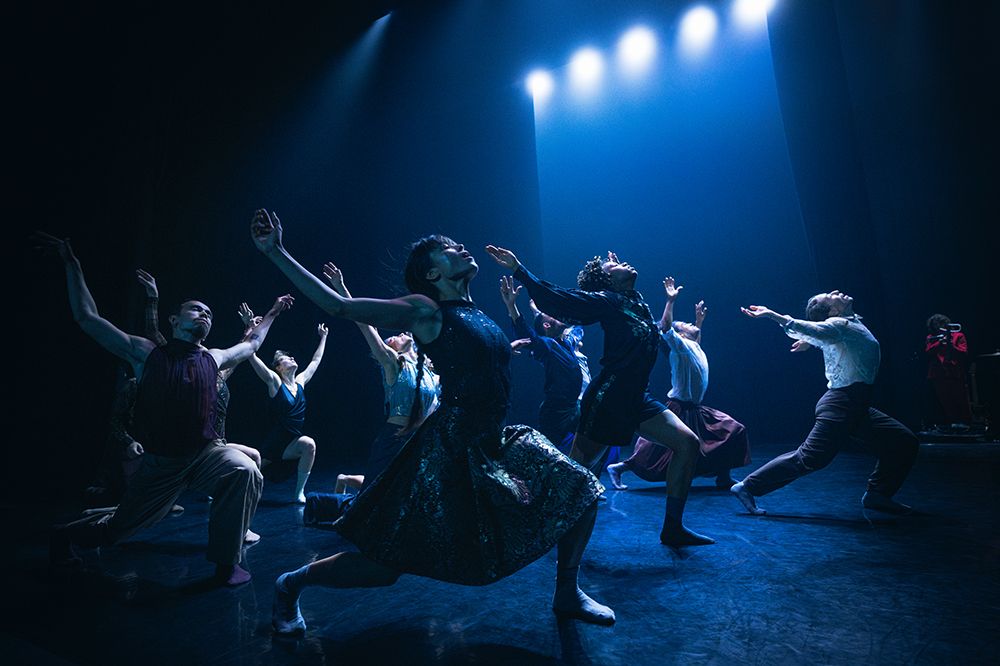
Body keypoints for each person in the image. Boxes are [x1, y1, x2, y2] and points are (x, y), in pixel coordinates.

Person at [250, 209, 612, 635]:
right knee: (385, 568)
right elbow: (340, 307)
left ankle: (567, 592)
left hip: (494, 440)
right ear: (432, 273)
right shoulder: (425, 309)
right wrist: (276, 252)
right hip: (448, 452)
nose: (461, 248)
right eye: (448, 249)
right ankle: (292, 582)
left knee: (581, 489)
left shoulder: (474, 309)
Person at [37, 230, 290, 585]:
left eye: (208, 313)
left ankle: (225, 563)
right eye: (195, 309)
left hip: (206, 454)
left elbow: (252, 343)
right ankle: (65, 537)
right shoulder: (146, 353)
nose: (204, 314)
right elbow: (87, 318)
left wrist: (273, 312)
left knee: (246, 471)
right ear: (174, 320)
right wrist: (72, 264)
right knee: (118, 531)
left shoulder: (213, 358)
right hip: (162, 463)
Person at [485, 246, 712, 547]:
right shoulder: (607, 301)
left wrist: (626, 277)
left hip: (637, 398)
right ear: (606, 283)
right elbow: (559, 298)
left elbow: (658, 333)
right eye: (610, 266)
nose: (621, 262)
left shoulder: (637, 303)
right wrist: (519, 270)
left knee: (687, 443)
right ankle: (538, 522)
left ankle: (672, 528)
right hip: (608, 399)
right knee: (578, 473)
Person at [730, 290, 919, 516]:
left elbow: (824, 335)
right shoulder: (838, 324)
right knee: (811, 458)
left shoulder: (847, 325)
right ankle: (747, 486)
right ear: (832, 310)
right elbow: (817, 329)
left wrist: (810, 342)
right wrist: (773, 315)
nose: (836, 293)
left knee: (903, 442)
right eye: (830, 296)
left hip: (855, 404)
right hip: (841, 404)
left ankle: (878, 493)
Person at [300, 262, 441, 525]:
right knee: (374, 502)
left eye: (401, 332)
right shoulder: (392, 363)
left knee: (403, 497)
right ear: (391, 346)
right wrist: (342, 289)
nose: (400, 333)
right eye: (395, 336)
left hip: (419, 443)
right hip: (393, 441)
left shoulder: (430, 371)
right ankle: (324, 504)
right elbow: (365, 325)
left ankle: (348, 488)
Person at [607, 279, 750, 491]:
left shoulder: (692, 346)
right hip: (679, 407)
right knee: (657, 450)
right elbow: (665, 328)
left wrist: (699, 321)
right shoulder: (679, 347)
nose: (691, 325)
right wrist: (670, 301)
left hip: (697, 409)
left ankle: (723, 476)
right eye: (687, 325)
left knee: (733, 430)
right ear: (680, 335)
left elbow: (696, 340)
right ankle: (620, 467)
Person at [499, 275, 590, 453]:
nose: (559, 316)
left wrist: (537, 311)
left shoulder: (567, 343)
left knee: (594, 438)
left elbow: (578, 327)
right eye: (553, 316)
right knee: (546, 452)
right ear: (547, 325)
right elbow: (526, 334)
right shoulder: (548, 346)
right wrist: (512, 306)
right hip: (556, 411)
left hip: (574, 407)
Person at [248, 321, 328, 503]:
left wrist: (323, 338)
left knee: (309, 444)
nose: (292, 359)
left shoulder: (300, 382)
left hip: (291, 443)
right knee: (250, 469)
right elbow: (251, 355)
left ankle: (299, 493)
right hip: (274, 443)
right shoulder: (275, 382)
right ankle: (217, 488)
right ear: (278, 367)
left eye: (292, 357)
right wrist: (251, 329)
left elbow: (316, 361)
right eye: (286, 358)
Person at [923, 314, 971, 428]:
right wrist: (940, 343)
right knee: (946, 401)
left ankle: (966, 424)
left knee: (960, 399)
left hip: (954, 372)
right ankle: (954, 424)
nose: (938, 327)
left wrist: (950, 345)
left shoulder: (958, 335)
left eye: (940, 324)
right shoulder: (931, 337)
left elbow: (963, 353)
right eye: (935, 325)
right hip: (938, 373)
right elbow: (928, 352)